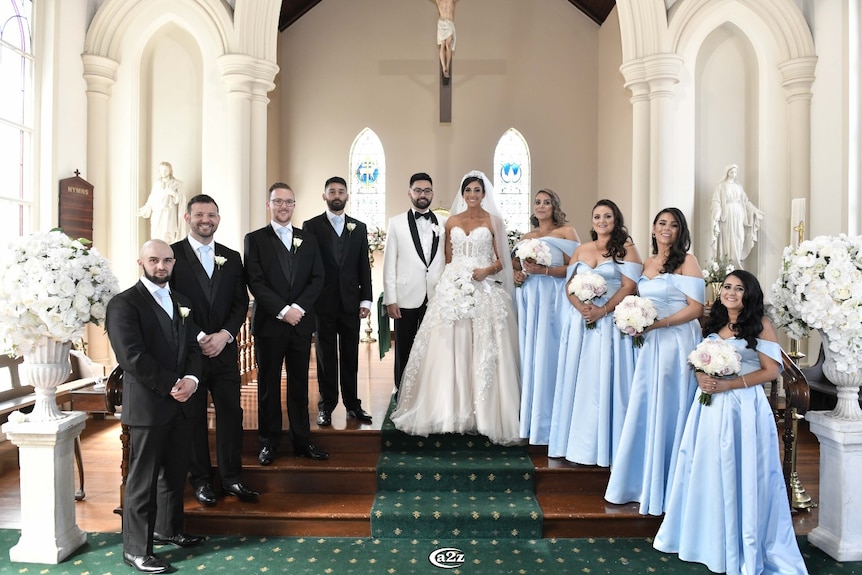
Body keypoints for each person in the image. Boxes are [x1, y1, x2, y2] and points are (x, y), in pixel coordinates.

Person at [654, 270, 808, 575]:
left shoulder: (760, 325)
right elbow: (698, 360)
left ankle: (741, 542)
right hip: (709, 409)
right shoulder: (714, 324)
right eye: (727, 287)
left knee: (741, 471)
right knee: (708, 468)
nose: (731, 292)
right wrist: (700, 375)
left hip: (743, 408)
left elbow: (772, 370)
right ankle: (707, 540)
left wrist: (731, 385)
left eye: (738, 289)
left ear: (748, 295)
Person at [390, 170, 522, 446]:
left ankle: (484, 414)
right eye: (468, 190)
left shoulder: (494, 220)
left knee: (484, 347)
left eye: (477, 190)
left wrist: (486, 270)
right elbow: (448, 258)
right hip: (454, 289)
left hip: (485, 288)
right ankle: (449, 410)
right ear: (462, 194)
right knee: (450, 348)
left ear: (484, 193)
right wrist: (452, 282)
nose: (472, 195)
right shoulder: (451, 222)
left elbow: (503, 260)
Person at [105, 239, 203, 574]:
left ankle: (169, 529)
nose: (161, 266)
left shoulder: (182, 301)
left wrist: (191, 379)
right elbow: (131, 356)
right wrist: (170, 385)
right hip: (149, 404)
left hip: (181, 402)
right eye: (154, 260)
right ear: (140, 262)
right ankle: (135, 549)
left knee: (174, 474)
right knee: (142, 480)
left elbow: (193, 346)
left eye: (166, 261)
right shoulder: (123, 305)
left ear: (174, 263)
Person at [604, 207, 704, 516]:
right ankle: (643, 482)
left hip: (677, 341)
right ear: (653, 228)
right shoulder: (647, 263)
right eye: (662, 223)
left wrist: (661, 324)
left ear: (680, 231)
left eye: (673, 225)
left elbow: (696, 308)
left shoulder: (688, 261)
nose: (667, 229)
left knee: (671, 406)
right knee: (647, 405)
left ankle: (671, 486)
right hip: (649, 344)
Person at [170, 194, 259, 506]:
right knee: (193, 417)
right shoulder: (173, 256)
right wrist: (198, 336)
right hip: (189, 354)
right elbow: (169, 303)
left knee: (231, 415)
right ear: (187, 218)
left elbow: (239, 303)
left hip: (224, 351)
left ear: (218, 219)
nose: (205, 220)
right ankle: (202, 481)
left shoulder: (232, 258)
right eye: (199, 215)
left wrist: (225, 334)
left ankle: (232, 478)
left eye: (211, 215)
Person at [548, 200, 643, 466]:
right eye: (597, 216)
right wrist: (582, 308)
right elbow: (568, 286)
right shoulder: (582, 249)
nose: (602, 221)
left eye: (608, 216)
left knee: (603, 381)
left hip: (609, 325)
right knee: (581, 381)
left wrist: (602, 311)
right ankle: (578, 444)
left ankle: (607, 446)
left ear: (616, 219)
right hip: (581, 323)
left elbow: (629, 286)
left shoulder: (626, 248)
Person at [244, 182, 328, 465]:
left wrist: (299, 308)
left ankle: (302, 440)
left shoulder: (309, 239)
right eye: (277, 201)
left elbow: (318, 277)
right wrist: (282, 310)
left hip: (301, 324)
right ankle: (268, 442)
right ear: (268, 205)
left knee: (299, 384)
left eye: (288, 202)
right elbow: (255, 281)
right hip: (270, 324)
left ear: (294, 205)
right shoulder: (254, 239)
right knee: (267, 385)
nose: (283, 206)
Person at [303, 177, 374, 427]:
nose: (336, 195)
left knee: (350, 355)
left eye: (341, 191)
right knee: (325, 356)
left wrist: (366, 298)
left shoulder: (359, 227)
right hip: (322, 303)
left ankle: (353, 404)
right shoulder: (310, 226)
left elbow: (363, 266)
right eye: (332, 191)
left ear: (347, 196)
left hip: (351, 303)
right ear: (324, 196)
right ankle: (327, 405)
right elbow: (308, 266)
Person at [511, 189, 579, 445]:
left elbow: (576, 267)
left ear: (555, 206)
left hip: (554, 298)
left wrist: (545, 269)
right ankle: (529, 418)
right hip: (530, 298)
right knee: (530, 355)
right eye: (537, 202)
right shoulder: (526, 237)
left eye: (546, 202)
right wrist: (518, 276)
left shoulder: (567, 232)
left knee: (550, 354)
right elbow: (516, 266)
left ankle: (552, 422)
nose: (541, 206)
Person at [382, 172, 447, 391]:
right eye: (418, 190)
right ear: (409, 192)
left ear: (432, 193)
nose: (422, 194)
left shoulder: (445, 223)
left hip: (436, 295)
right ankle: (402, 392)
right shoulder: (396, 223)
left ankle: (429, 394)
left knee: (434, 348)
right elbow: (389, 263)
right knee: (405, 348)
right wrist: (390, 299)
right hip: (405, 297)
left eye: (427, 190)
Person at [710, 164, 763, 269]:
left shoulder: (738, 187)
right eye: (731, 172)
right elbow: (716, 201)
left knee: (739, 237)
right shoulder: (721, 186)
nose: (733, 174)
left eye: (735, 172)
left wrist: (754, 210)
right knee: (728, 238)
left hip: (739, 215)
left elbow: (746, 202)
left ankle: (737, 262)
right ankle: (728, 265)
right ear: (727, 173)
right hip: (727, 215)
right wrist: (716, 214)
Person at [138, 161, 186, 243]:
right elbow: (151, 199)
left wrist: (173, 193)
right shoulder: (157, 185)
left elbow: (180, 200)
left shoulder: (177, 184)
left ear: (170, 171)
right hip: (158, 212)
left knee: (168, 235)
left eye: (165, 171)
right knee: (156, 235)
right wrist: (145, 209)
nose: (163, 173)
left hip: (169, 213)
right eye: (161, 171)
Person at [434, 0, 457, 78]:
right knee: (442, 44)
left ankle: (447, 65)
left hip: (449, 23)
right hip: (441, 23)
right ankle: (444, 67)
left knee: (448, 44)